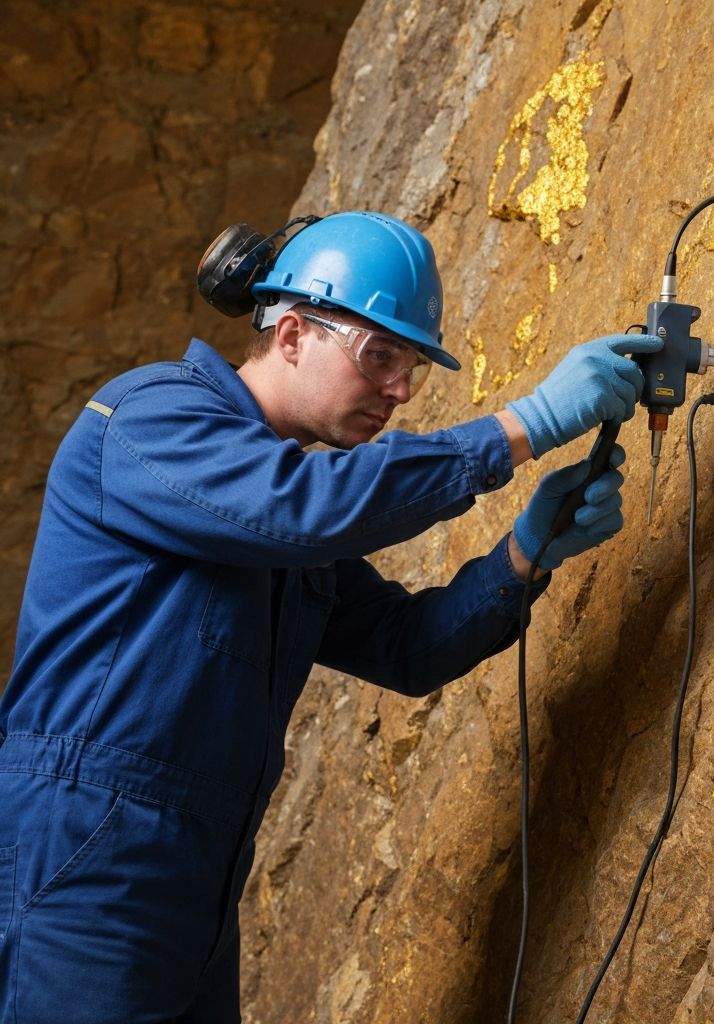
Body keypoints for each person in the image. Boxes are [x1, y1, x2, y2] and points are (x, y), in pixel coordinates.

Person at [0, 211, 660, 1022]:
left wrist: (524, 554)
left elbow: (407, 647)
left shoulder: (269, 503)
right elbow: (308, 513)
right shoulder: (146, 420)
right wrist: (523, 426)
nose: (401, 389)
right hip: (83, 851)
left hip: (198, 876)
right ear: (288, 332)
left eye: (412, 364)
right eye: (379, 355)